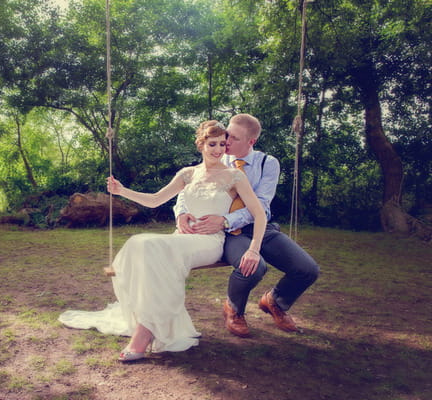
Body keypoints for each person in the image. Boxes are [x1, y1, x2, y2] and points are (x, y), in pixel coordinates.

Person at [59, 120, 266, 361]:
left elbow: (259, 214)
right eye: (212, 144)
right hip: (183, 238)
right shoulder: (188, 174)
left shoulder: (234, 176)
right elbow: (155, 199)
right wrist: (122, 191)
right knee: (139, 243)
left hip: (210, 241)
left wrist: (253, 249)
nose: (218, 149)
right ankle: (146, 321)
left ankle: (144, 334)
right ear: (200, 144)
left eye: (222, 144)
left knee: (152, 246)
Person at [174, 113, 319, 338]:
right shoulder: (216, 157)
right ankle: (234, 309)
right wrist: (181, 212)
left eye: (232, 138)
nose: (225, 142)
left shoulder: (267, 163)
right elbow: (189, 188)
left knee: (307, 270)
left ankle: (276, 302)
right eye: (226, 135)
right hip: (230, 234)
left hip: (259, 226)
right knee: (253, 267)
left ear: (251, 142)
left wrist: (225, 219)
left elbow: (261, 206)